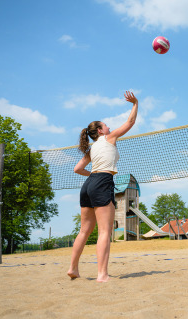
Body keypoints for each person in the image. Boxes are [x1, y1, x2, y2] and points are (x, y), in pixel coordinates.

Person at [67, 91, 138, 282]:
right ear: (100, 130)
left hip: (88, 185)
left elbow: (77, 169)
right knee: (105, 231)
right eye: (106, 125)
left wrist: (93, 176)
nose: (109, 127)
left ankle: (73, 268)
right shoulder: (109, 138)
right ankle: (102, 274)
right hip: (102, 182)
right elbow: (130, 123)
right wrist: (135, 104)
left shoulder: (91, 148)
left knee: (84, 231)